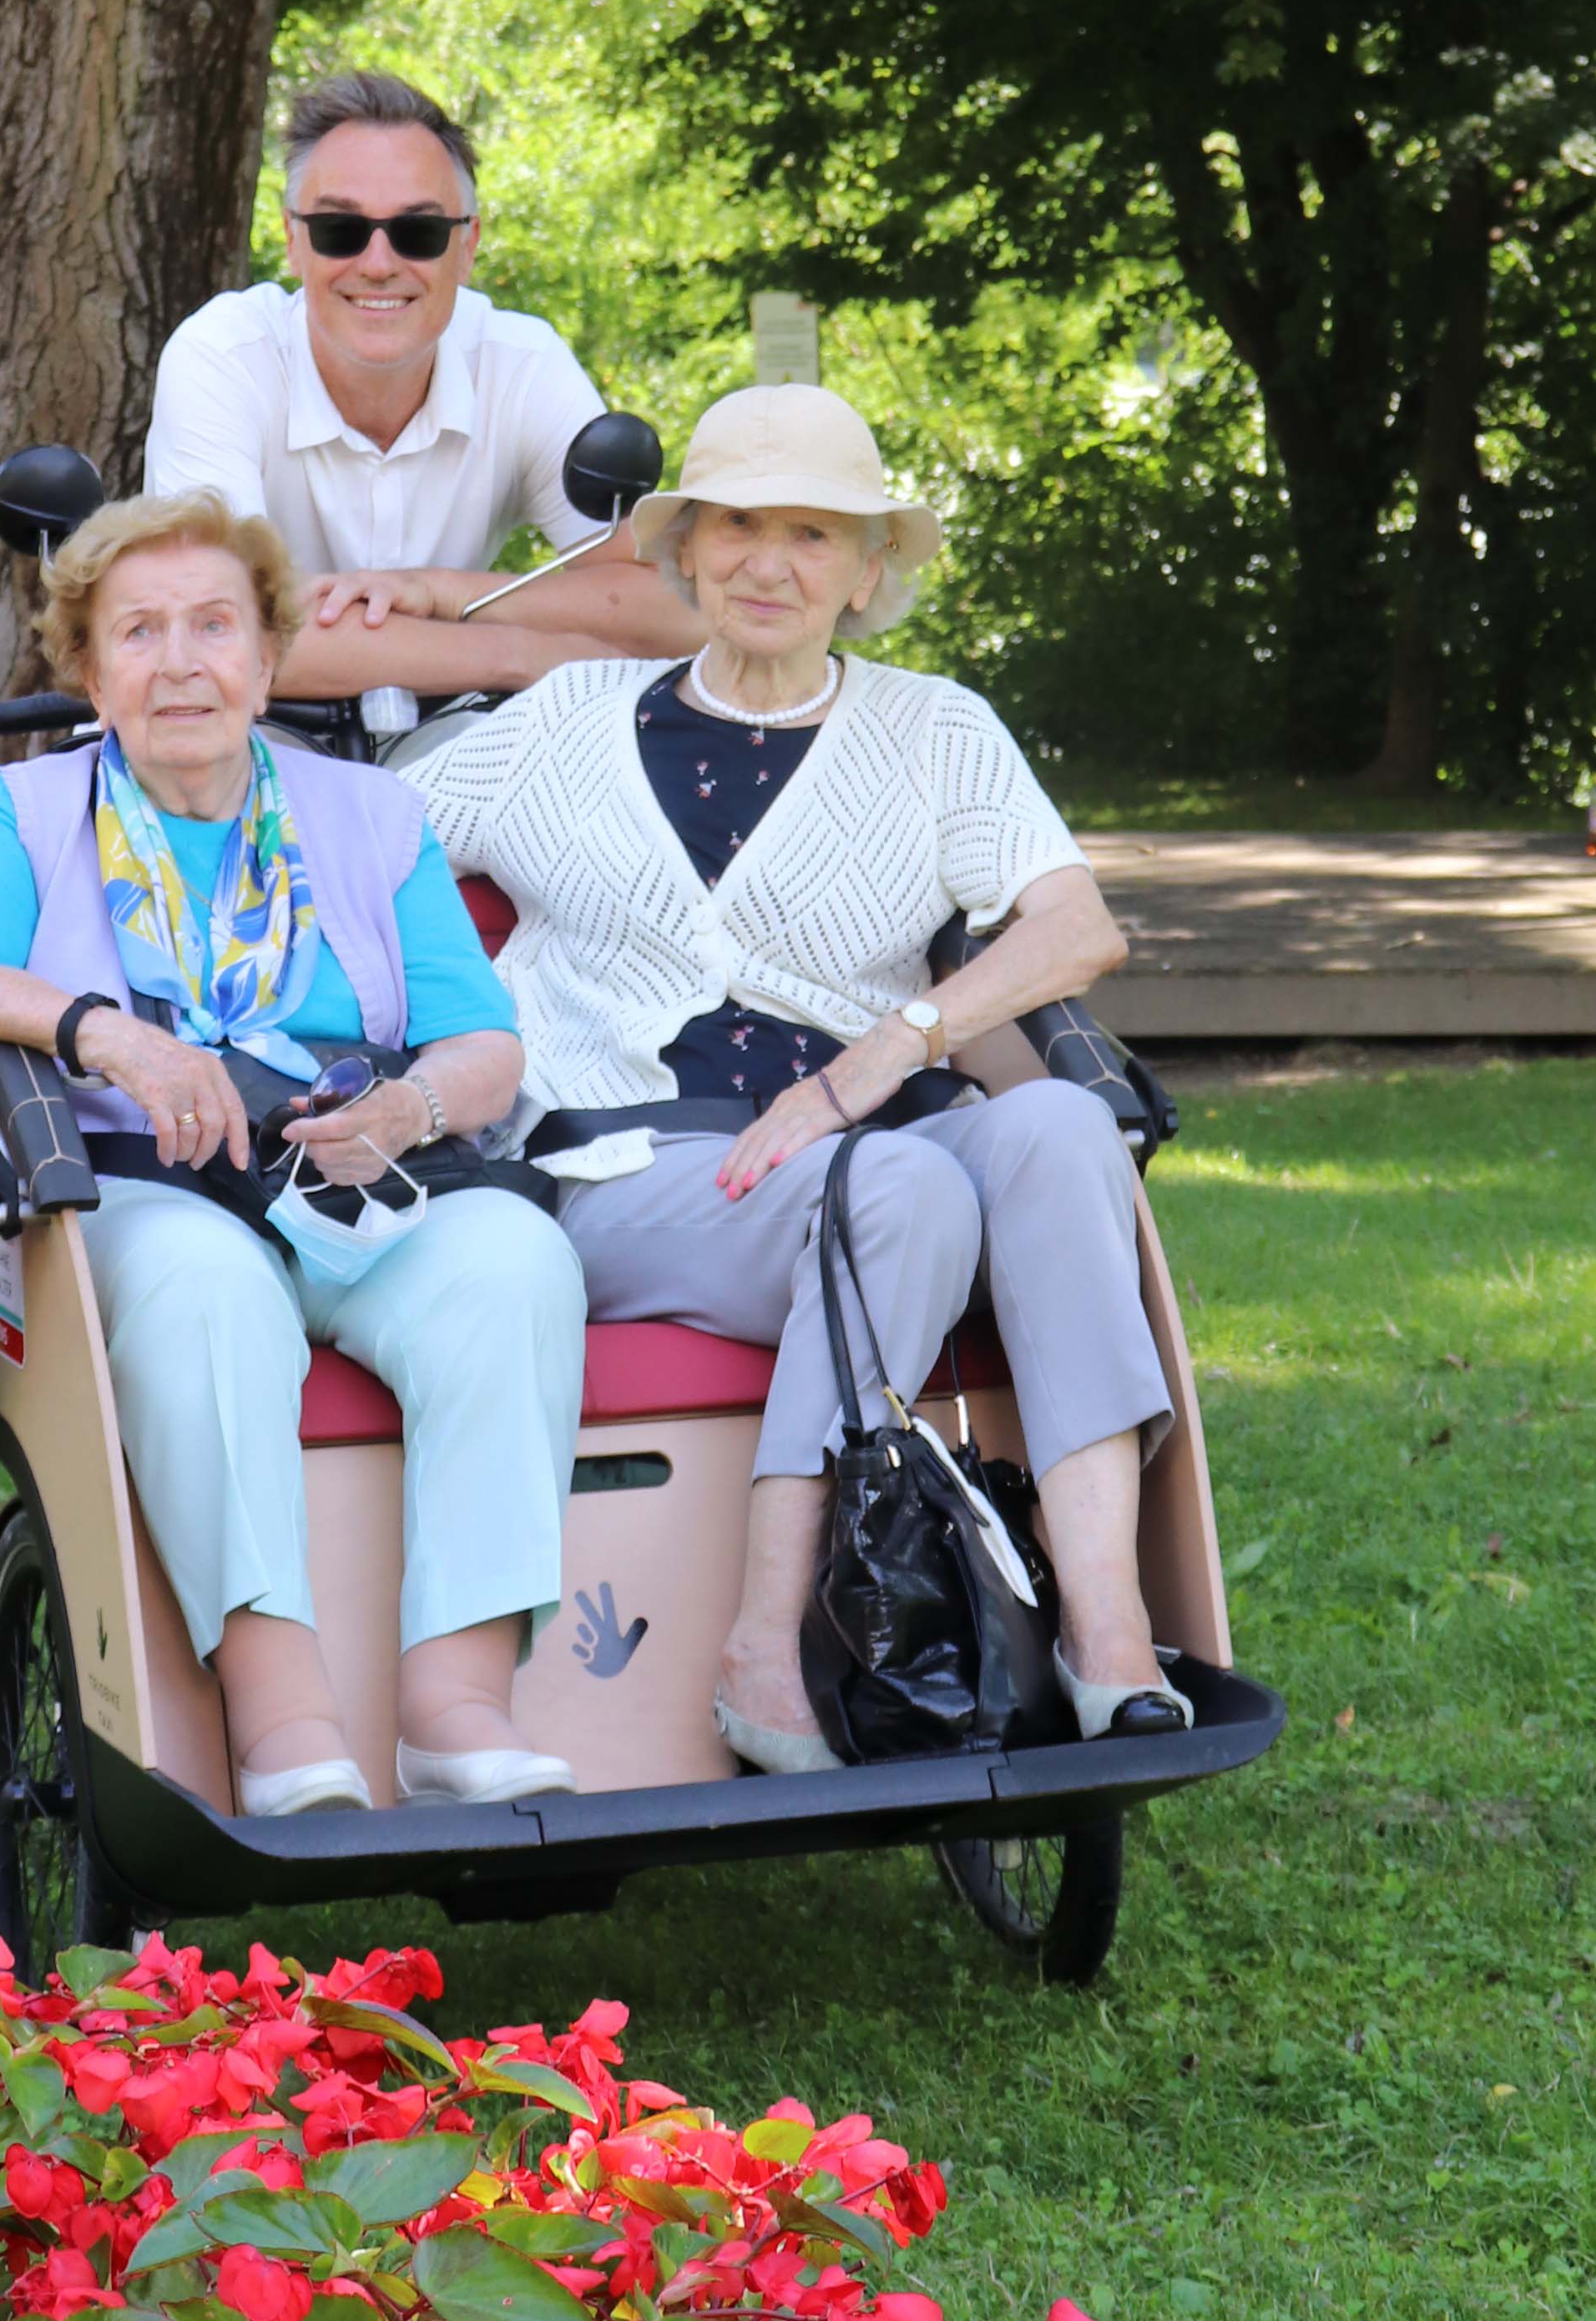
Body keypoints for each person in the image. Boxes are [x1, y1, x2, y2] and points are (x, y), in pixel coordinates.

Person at [400, 382, 1179, 1778]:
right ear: (684, 548)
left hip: (885, 1137)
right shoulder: (565, 722)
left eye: (815, 533)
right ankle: (769, 1638)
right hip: (638, 1169)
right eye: (741, 525)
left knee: (1062, 1124)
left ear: (871, 568)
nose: (771, 563)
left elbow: (1079, 930)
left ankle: (1109, 1626)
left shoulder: (937, 730)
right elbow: (352, 848)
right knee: (906, 1189)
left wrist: (898, 1041)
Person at [0, 488, 586, 1813]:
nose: (181, 661)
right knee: (205, 1292)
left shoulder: (370, 817)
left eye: (215, 626)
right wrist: (100, 1034)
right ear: (90, 670)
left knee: (516, 1261)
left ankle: (457, 1704)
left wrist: (408, 1113)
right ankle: (280, 1715)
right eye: (138, 632)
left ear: (270, 659)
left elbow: (483, 1043)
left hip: (349, 1173)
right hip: (138, 1183)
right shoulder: (25, 814)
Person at [144, 67, 685, 728]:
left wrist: (442, 594)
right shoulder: (222, 357)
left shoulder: (523, 366)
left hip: (466, 768)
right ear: (292, 240)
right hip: (246, 767)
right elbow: (217, 632)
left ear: (468, 247)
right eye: (340, 229)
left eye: (419, 233)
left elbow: (675, 608)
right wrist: (519, 652)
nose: (378, 262)